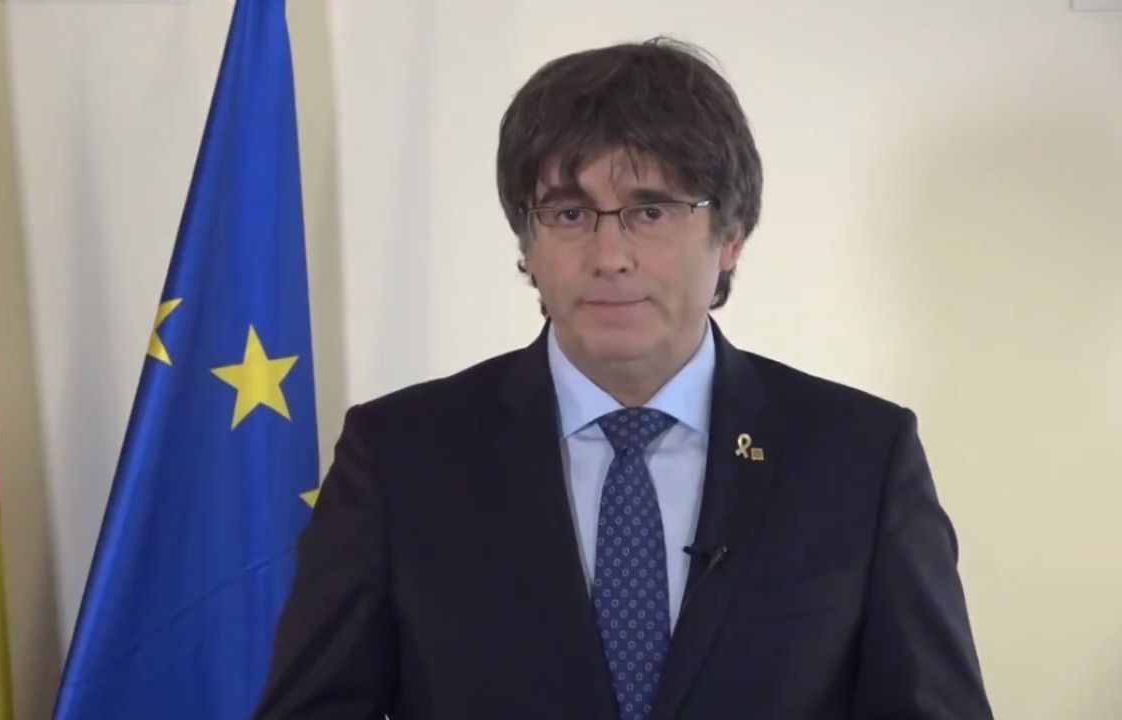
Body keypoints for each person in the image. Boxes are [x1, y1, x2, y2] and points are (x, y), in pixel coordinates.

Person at [254, 37, 992, 720]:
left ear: (730, 238)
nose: (610, 257)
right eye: (571, 213)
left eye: (651, 211)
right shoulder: (400, 456)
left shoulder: (860, 458)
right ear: (527, 241)